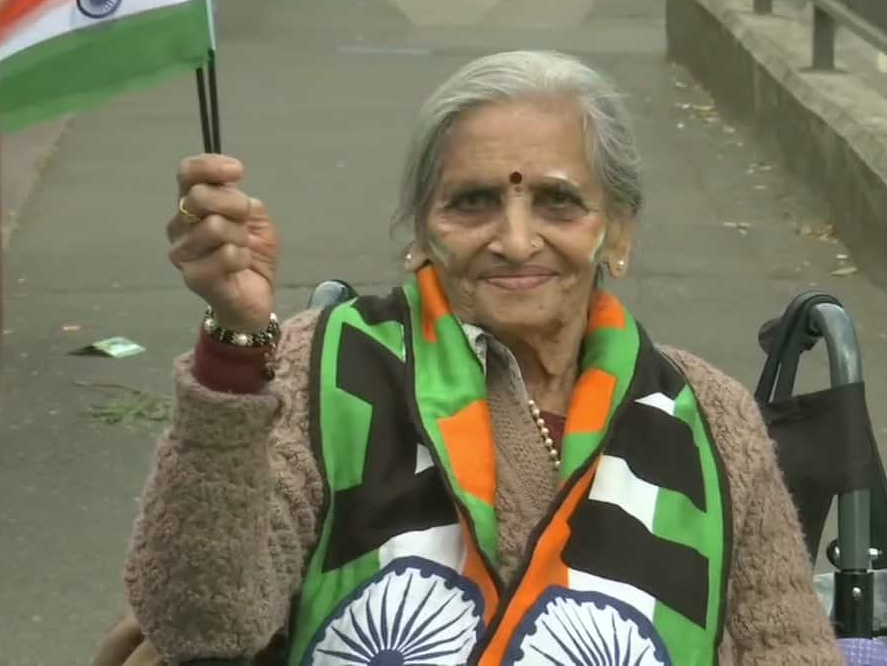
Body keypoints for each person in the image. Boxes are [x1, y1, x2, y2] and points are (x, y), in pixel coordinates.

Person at [95, 50, 845, 666]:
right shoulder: (319, 366)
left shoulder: (706, 416)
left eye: (557, 202)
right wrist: (233, 342)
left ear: (618, 231)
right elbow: (204, 620)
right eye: (473, 202)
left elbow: (789, 648)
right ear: (421, 229)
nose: (516, 241)